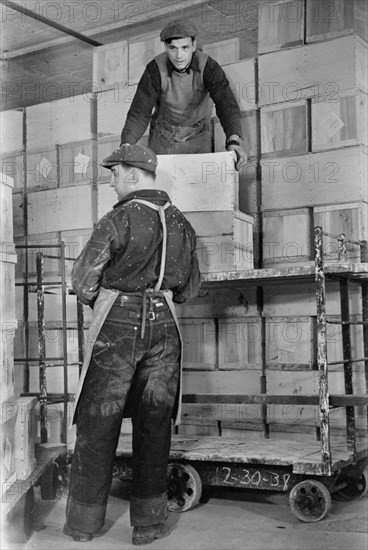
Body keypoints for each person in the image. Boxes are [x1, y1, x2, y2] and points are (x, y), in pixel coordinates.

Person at [64, 144, 201, 546]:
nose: (110, 180)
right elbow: (190, 288)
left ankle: (84, 525)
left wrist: (105, 301)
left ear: (133, 174)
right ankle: (149, 524)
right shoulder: (182, 224)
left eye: (114, 172)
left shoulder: (119, 219)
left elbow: (82, 280)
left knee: (98, 422)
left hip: (118, 328)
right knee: (155, 424)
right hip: (166, 329)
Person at [120, 19, 247, 170]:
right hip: (163, 138)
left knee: (197, 186)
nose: (179, 55)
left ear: (194, 45)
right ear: (166, 47)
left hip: (198, 137)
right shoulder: (155, 69)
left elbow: (226, 104)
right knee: (163, 187)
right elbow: (140, 112)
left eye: (184, 47)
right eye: (173, 48)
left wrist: (233, 141)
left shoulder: (209, 67)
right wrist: (126, 144)